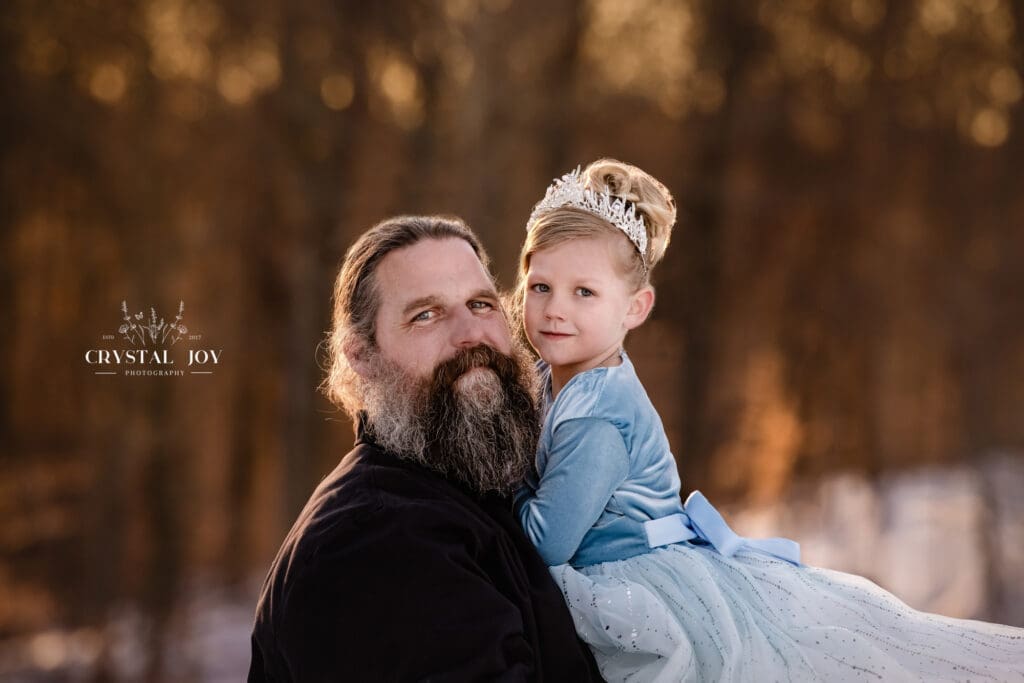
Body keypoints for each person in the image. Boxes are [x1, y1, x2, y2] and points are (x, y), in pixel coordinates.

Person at [513, 159, 1024, 682]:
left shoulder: (595, 416)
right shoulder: (554, 375)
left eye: (584, 292)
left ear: (635, 308)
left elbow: (548, 540)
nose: (555, 310)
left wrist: (495, 488)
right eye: (541, 287)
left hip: (635, 582)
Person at [248, 216, 602, 681]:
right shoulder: (373, 544)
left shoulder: (486, 495)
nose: (470, 334)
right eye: (425, 315)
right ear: (362, 357)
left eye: (481, 304)